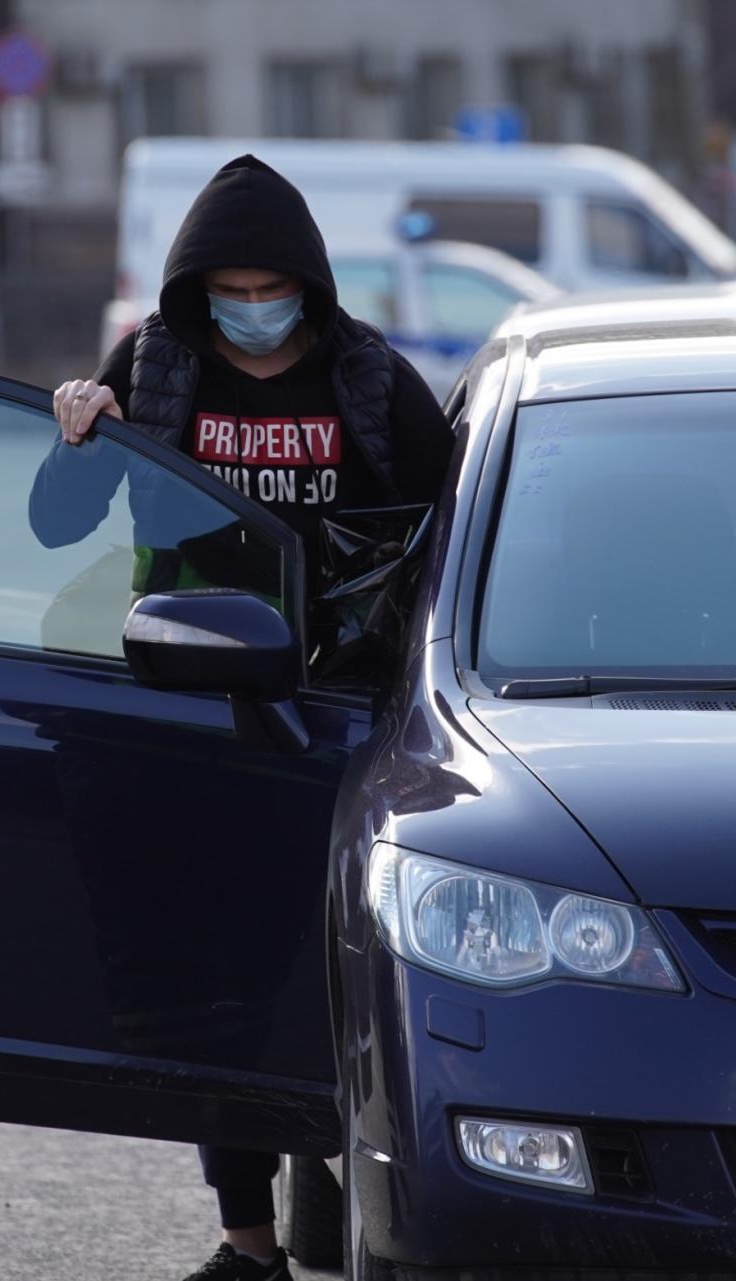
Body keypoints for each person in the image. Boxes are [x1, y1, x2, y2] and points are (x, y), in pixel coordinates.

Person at [37, 154, 454, 1281]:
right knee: (210, 982)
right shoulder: (156, 368)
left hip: (331, 718)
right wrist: (77, 429)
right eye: (235, 285)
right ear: (195, 287)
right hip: (190, 708)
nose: (255, 306)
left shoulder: (366, 380)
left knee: (324, 976)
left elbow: (449, 533)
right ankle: (246, 1241)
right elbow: (51, 524)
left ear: (310, 289)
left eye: (275, 286)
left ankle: (332, 1175)